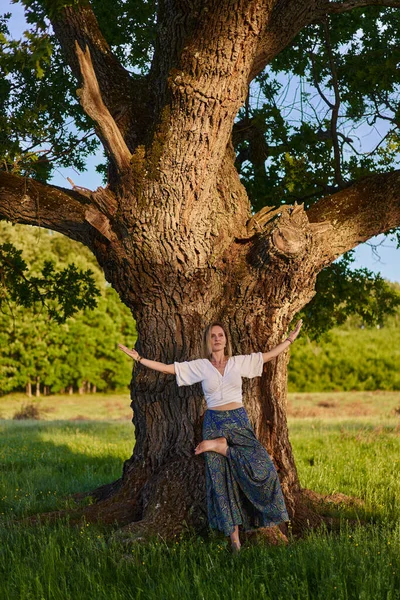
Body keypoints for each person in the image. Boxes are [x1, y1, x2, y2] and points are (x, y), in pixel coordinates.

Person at [118, 318, 302, 552]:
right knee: (221, 482)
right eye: (213, 336)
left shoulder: (237, 363)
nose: (217, 339)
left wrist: (290, 338)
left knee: (262, 466)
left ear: (226, 340)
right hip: (214, 423)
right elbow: (169, 369)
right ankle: (235, 540)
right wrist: (139, 359)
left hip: (238, 421)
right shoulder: (201, 366)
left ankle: (222, 447)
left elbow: (267, 356)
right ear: (208, 341)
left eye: (220, 335)